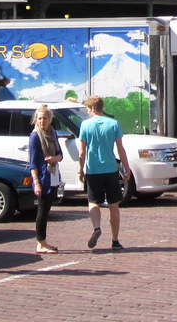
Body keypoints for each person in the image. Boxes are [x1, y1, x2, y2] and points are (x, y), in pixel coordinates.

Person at [78, 95, 131, 250]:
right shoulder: (113, 124)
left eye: (88, 108)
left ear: (93, 108)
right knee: (114, 204)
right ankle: (115, 240)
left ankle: (96, 228)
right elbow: (121, 149)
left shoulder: (85, 125)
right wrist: (126, 169)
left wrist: (80, 169)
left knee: (93, 201)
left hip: (93, 170)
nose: (87, 112)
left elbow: (82, 152)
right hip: (111, 169)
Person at [29, 104, 63, 254]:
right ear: (36, 119)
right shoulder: (35, 136)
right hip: (43, 177)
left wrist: (54, 158)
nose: (42, 121)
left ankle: (44, 242)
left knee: (48, 209)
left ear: (50, 120)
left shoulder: (53, 133)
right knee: (42, 210)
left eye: (45, 118)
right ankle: (40, 242)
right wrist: (36, 182)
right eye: (39, 118)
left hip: (53, 175)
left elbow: (60, 154)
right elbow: (33, 162)